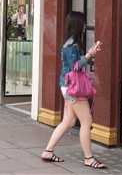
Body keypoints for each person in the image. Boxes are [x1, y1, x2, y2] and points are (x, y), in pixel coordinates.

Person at [40, 11, 105, 169]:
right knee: (86, 121)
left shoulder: (68, 43)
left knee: (68, 121)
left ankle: (48, 151)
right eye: (83, 23)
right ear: (78, 26)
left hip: (67, 86)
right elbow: (75, 67)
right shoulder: (72, 45)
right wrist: (91, 53)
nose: (84, 26)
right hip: (73, 88)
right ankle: (88, 158)